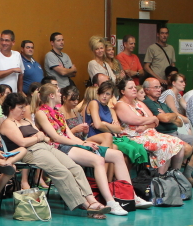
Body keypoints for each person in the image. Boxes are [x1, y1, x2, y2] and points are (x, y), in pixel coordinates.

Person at [0, 92, 108, 219]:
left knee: (75, 168)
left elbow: (44, 137)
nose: (24, 110)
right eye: (20, 107)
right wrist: (37, 137)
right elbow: (23, 142)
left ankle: (92, 200)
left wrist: (40, 137)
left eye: (24, 107)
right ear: (10, 108)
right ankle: (85, 205)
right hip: (30, 152)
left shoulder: (26, 120)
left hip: (45, 147)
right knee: (62, 172)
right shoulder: (8, 123)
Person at [33, 85, 129, 215]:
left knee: (117, 155)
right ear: (51, 96)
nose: (60, 95)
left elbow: (70, 134)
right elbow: (56, 138)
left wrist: (84, 142)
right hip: (59, 147)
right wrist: (80, 145)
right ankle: (110, 201)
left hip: (70, 143)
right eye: (58, 92)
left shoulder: (58, 112)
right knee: (98, 160)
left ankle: (130, 196)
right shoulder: (40, 113)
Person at [142, 78, 193, 186]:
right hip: (163, 134)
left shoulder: (162, 104)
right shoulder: (147, 103)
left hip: (176, 133)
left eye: (160, 87)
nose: (159, 89)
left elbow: (179, 122)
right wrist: (170, 116)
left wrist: (171, 116)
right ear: (146, 90)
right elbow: (165, 119)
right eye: (156, 87)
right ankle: (172, 177)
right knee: (186, 149)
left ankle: (186, 174)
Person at [114, 78, 186, 174]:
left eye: (135, 87)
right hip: (134, 136)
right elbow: (136, 120)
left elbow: (155, 122)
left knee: (179, 144)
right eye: (130, 88)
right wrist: (151, 119)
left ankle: (174, 175)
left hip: (150, 133)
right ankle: (159, 179)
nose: (134, 89)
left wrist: (146, 126)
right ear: (122, 91)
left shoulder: (139, 103)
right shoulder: (121, 105)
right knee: (165, 145)